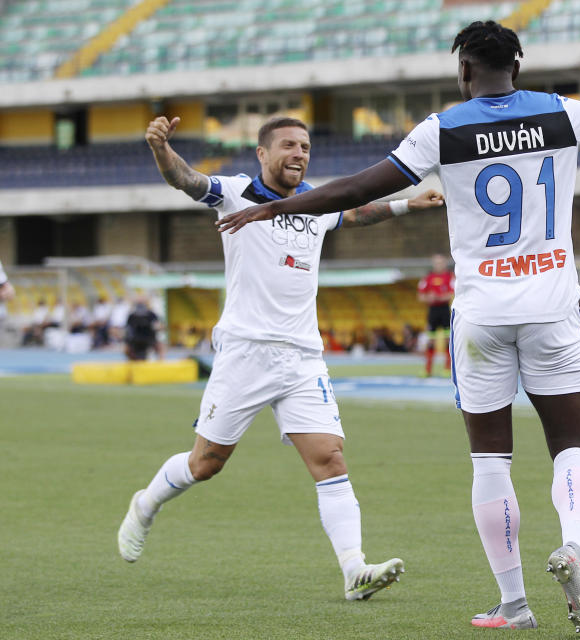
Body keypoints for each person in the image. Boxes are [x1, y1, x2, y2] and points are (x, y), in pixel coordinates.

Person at [214, 20, 580, 636]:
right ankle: (574, 547)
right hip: (551, 307)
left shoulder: (442, 129)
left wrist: (281, 204)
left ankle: (514, 605)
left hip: (481, 316)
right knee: (572, 446)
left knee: (491, 459)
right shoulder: (564, 114)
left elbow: (359, 187)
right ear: (517, 65)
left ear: (464, 70)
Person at [117, 113, 445, 603]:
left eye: (306, 147)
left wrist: (407, 205)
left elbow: (355, 214)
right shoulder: (234, 192)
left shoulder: (316, 202)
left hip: (302, 357)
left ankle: (354, 570)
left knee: (330, 459)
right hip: (245, 353)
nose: (299, 154)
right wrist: (161, 148)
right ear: (262, 154)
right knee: (206, 463)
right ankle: (146, 503)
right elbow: (185, 180)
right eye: (289, 145)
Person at [417, 253, 455, 375]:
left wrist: (439, 297)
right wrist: (429, 297)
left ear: (445, 263)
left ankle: (447, 368)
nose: (439, 265)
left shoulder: (450, 277)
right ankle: (427, 370)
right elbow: (420, 296)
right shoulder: (428, 278)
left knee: (447, 340)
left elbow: (452, 293)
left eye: (441, 262)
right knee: (430, 341)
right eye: (436, 262)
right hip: (432, 311)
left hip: (444, 311)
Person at [124, 296, 165, 360]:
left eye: (142, 302)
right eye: (139, 303)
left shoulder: (151, 314)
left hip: (149, 338)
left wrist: (158, 327)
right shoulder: (131, 316)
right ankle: (134, 362)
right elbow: (127, 329)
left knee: (161, 346)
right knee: (126, 349)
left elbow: (158, 325)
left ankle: (161, 363)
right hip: (135, 339)